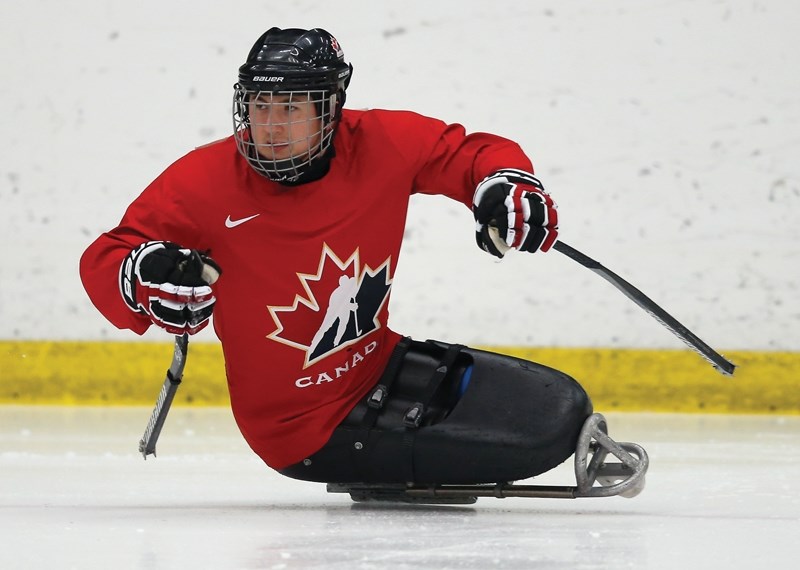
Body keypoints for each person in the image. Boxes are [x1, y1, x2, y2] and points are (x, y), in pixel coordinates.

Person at [80, 27, 592, 486]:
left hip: (378, 363)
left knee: (557, 409)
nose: (270, 128)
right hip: (298, 430)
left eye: (290, 109)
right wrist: (139, 274)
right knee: (548, 424)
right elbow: (108, 254)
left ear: (330, 107)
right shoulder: (202, 183)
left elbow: (468, 153)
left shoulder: (382, 143)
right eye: (259, 106)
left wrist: (505, 183)